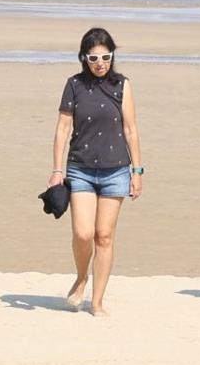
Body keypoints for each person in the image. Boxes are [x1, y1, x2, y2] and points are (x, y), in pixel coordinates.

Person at [46, 27, 144, 316]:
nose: (100, 63)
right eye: (94, 58)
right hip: (81, 170)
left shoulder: (123, 85)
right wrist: (56, 169)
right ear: (84, 58)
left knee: (104, 235)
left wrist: (137, 171)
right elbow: (63, 129)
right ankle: (81, 277)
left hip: (116, 171)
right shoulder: (74, 85)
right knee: (83, 233)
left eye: (106, 56)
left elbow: (131, 129)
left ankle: (97, 301)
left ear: (112, 56)